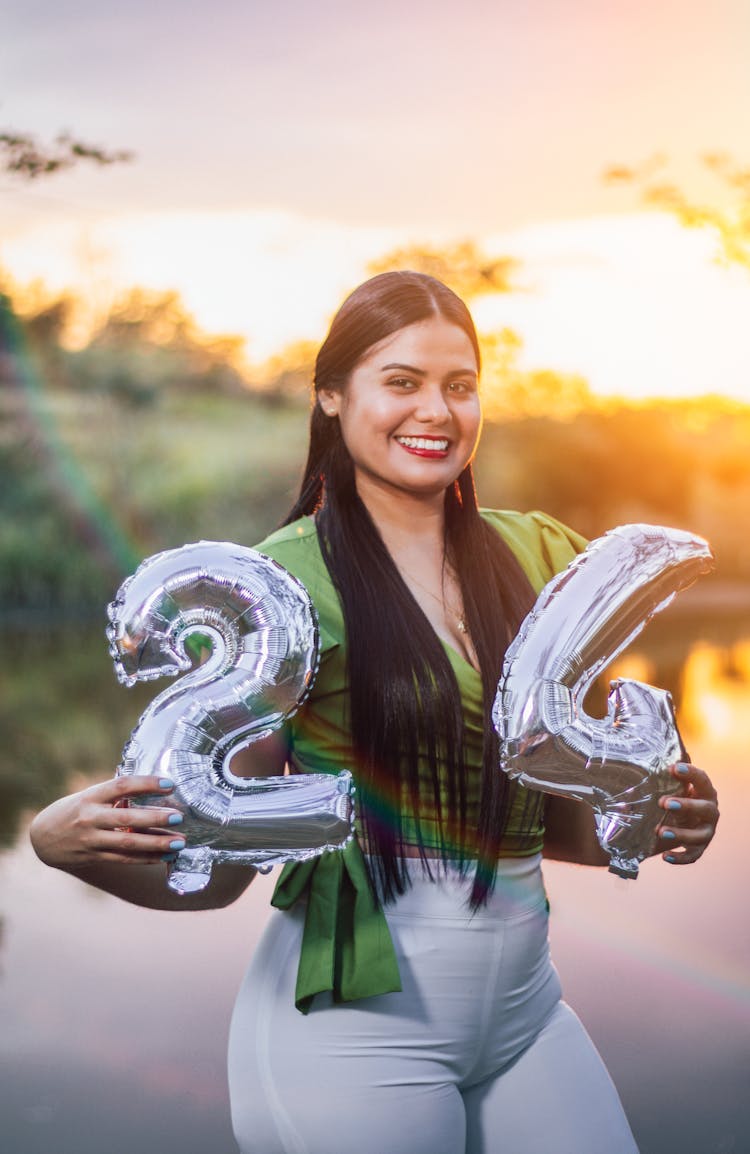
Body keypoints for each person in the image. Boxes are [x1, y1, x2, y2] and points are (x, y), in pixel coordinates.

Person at [30, 272, 719, 1154]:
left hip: (526, 1010)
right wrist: (63, 846)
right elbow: (221, 869)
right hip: (353, 1025)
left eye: (459, 385)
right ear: (332, 393)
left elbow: (550, 817)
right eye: (401, 381)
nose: (435, 410)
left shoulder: (543, 555)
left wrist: (662, 818)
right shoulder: (281, 589)